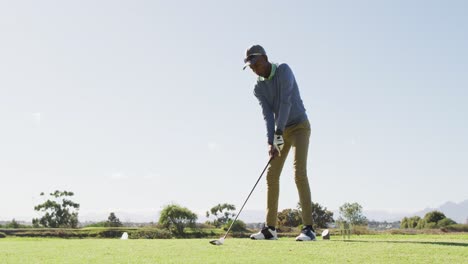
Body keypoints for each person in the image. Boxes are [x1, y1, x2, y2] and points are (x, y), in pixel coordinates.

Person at [243, 45, 316, 241]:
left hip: (300, 126)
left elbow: (286, 103)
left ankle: (308, 228)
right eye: (251, 67)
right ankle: (270, 229)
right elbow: (268, 116)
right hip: (281, 131)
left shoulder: (284, 70)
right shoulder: (258, 88)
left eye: (256, 64)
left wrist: (277, 135)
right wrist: (270, 142)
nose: (254, 69)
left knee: (299, 173)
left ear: (265, 58)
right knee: (272, 174)